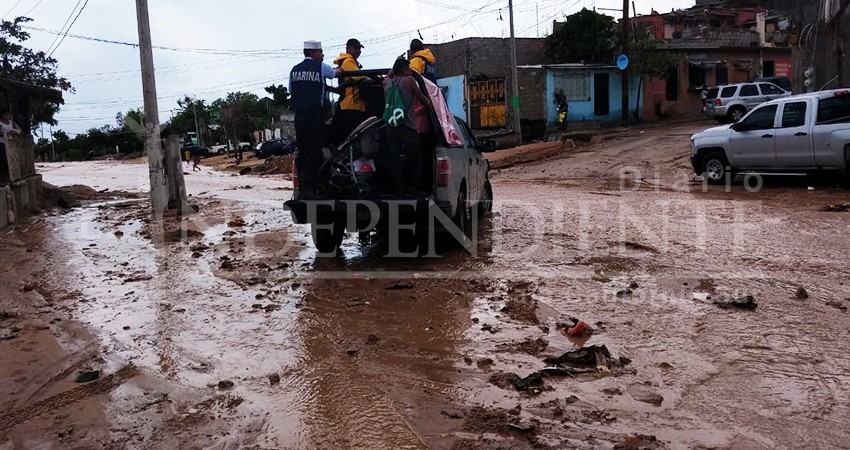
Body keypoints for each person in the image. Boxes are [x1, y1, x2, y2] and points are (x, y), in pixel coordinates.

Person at [290, 40, 339, 198]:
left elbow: (292, 90)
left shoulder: (294, 70)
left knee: (303, 151)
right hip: (314, 116)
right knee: (313, 151)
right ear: (313, 53)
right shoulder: (320, 67)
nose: (322, 55)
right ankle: (310, 189)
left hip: (299, 117)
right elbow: (335, 74)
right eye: (320, 52)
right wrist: (341, 69)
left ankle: (303, 189)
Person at [384, 58, 431, 196]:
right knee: (415, 159)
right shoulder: (409, 80)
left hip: (391, 128)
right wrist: (429, 103)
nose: (410, 71)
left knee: (394, 160)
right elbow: (421, 97)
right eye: (408, 68)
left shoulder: (387, 83)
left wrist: (393, 70)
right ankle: (415, 189)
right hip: (408, 128)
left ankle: (399, 189)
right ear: (404, 69)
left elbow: (388, 75)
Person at [331, 38, 368, 145]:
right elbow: (360, 77)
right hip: (352, 105)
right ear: (348, 49)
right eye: (355, 48)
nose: (358, 51)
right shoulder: (348, 61)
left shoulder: (350, 61)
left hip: (349, 104)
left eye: (359, 49)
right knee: (352, 137)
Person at [0, 111, 22, 185]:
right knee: (3, 159)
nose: (8, 116)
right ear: (2, 115)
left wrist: (15, 132)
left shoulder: (11, 122)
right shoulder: (0, 123)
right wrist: (6, 132)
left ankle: (11, 175)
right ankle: (3, 176)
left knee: (12, 158)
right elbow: (1, 132)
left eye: (9, 114)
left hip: (10, 143)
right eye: (6, 114)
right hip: (1, 142)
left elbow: (19, 130)